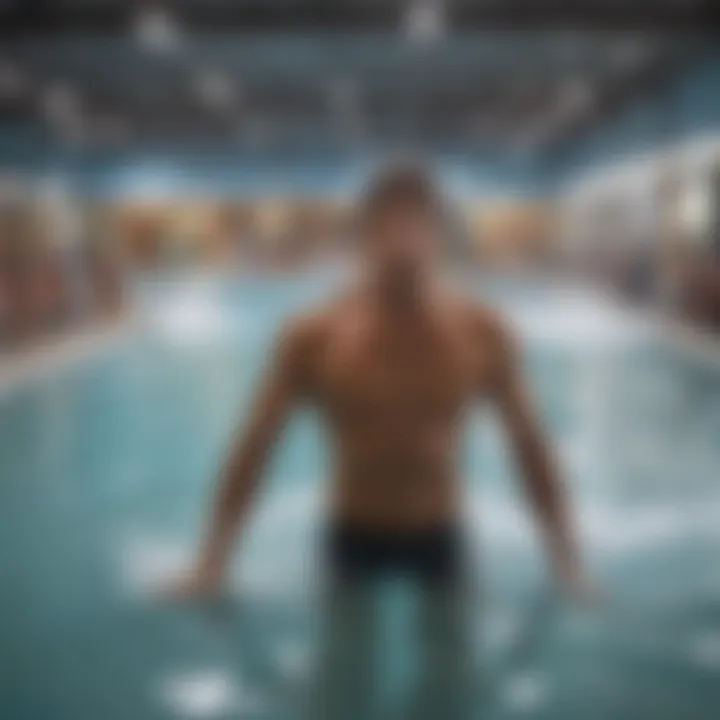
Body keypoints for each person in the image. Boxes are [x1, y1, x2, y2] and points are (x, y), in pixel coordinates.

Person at [171, 162, 591, 718]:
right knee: (342, 687)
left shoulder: (482, 331)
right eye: (390, 223)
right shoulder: (313, 336)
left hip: (441, 537)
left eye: (418, 222)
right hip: (351, 537)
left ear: (439, 234)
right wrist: (213, 561)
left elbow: (530, 449)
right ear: (364, 237)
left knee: (450, 688)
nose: (404, 239)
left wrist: (565, 562)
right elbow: (254, 448)